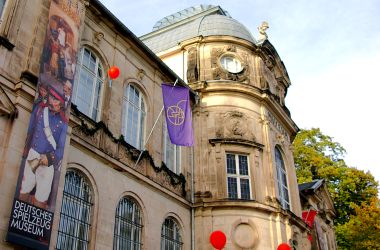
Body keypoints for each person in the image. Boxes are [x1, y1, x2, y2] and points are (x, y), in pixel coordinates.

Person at [19, 84, 68, 209]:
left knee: (42, 196)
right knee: (24, 189)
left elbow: (61, 148)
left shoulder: (63, 123)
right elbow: (29, 129)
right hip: (33, 155)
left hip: (47, 161)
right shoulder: (40, 110)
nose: (51, 101)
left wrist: (50, 159)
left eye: (56, 99)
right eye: (51, 97)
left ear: (61, 104)